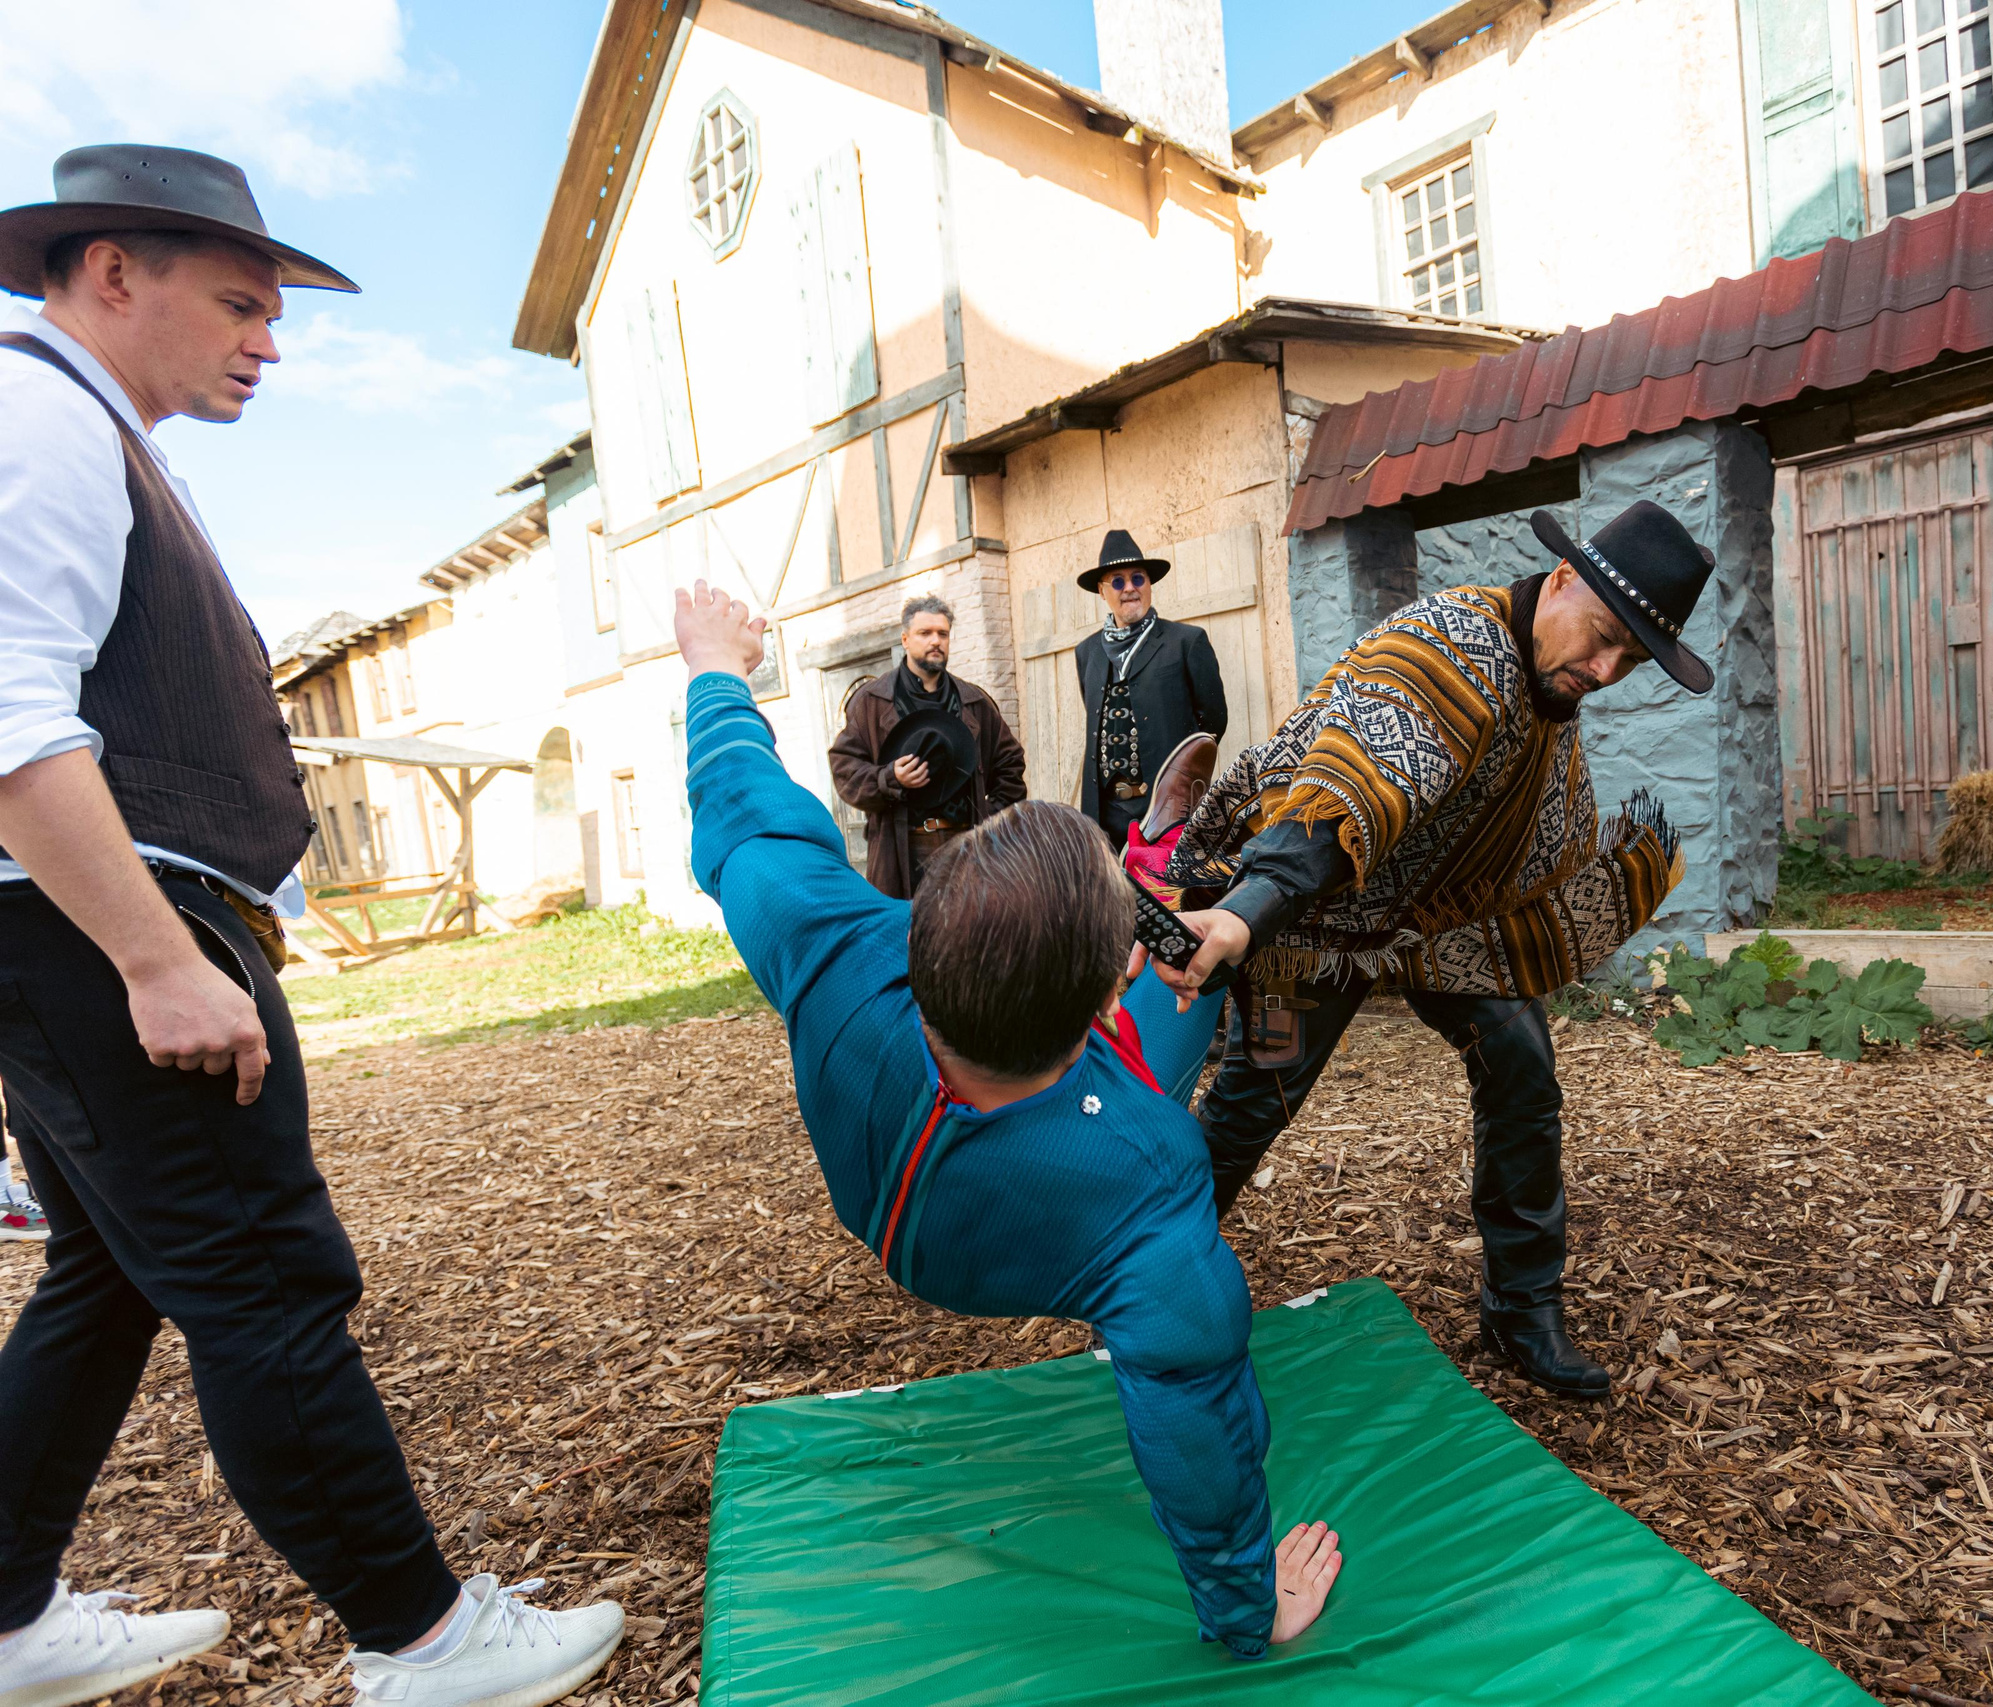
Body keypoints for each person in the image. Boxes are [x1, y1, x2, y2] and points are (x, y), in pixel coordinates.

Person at [0, 145, 621, 1707]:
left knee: (110, 1269)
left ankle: (1, 1611)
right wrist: (155, 954)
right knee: (263, 1275)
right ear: (111, 272)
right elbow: (7, 716)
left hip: (62, 930)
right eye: (241, 304)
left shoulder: (86, 427)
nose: (269, 342)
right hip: (96, 924)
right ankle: (422, 1638)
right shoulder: (40, 417)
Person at [673, 580, 1343, 1659]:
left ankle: (1148, 871)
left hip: (897, 1152)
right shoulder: (1150, 1178)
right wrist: (1243, 1604)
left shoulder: (843, 947)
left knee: (1160, 989)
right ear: (1096, 1004)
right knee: (1194, 988)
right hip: (1016, 1225)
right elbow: (1195, 1416)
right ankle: (1156, 883)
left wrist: (715, 668)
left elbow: (744, 810)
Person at [1149, 500, 1714, 1402]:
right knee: (1255, 1101)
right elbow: (1354, 789)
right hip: (1309, 911)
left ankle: (1521, 1310)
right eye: (1605, 637)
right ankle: (1146, 1291)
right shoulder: (1451, 647)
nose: (1606, 670)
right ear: (1562, 579)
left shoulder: (1549, 685)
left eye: (1631, 660)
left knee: (1521, 1063)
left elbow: (1527, 831)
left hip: (1435, 918)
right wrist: (1247, 914)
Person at [829, 594, 1026, 899]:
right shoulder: (872, 701)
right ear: (905, 640)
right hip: (901, 851)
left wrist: (988, 818)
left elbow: (1010, 764)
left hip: (968, 849)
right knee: (908, 927)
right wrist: (889, 778)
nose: (936, 641)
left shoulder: (974, 702)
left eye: (942, 634)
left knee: (971, 927)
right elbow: (845, 768)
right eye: (925, 633)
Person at [1074, 530, 1228, 851]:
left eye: (1138, 578)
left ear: (1149, 584)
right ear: (1102, 591)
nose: (1129, 588)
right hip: (1105, 816)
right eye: (1118, 581)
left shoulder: (1186, 642)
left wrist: (1181, 782)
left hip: (1169, 811)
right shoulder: (1087, 652)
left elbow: (1212, 723)